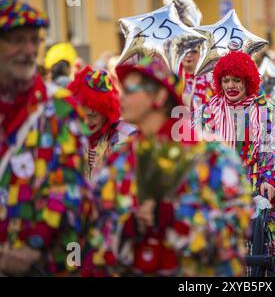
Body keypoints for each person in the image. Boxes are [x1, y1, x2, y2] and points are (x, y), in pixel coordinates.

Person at [82, 56, 252, 277]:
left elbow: (235, 225)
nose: (122, 95)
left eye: (132, 88)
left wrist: (173, 216)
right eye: (122, 87)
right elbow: (96, 228)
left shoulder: (212, 157)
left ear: (160, 96)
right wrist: (128, 227)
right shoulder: (119, 160)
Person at [0, 0, 94, 275]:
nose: (29, 51)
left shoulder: (61, 108)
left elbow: (69, 189)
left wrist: (31, 246)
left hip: (43, 263)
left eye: (34, 41)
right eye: (18, 41)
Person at [195, 51, 275, 276]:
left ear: (248, 81)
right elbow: (198, 152)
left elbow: (274, 147)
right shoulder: (207, 111)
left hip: (254, 185)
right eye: (226, 80)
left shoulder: (265, 110)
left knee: (257, 244)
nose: (230, 85)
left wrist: (270, 179)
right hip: (217, 188)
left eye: (236, 80)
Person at [67, 66, 137, 180]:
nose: (86, 121)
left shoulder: (123, 135)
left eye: (93, 115)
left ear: (106, 114)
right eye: (81, 115)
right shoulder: (71, 132)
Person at [179, 47, 213, 112]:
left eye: (193, 51)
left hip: (203, 119)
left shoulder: (210, 78)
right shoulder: (171, 76)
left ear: (201, 54)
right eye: (184, 51)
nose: (188, 55)